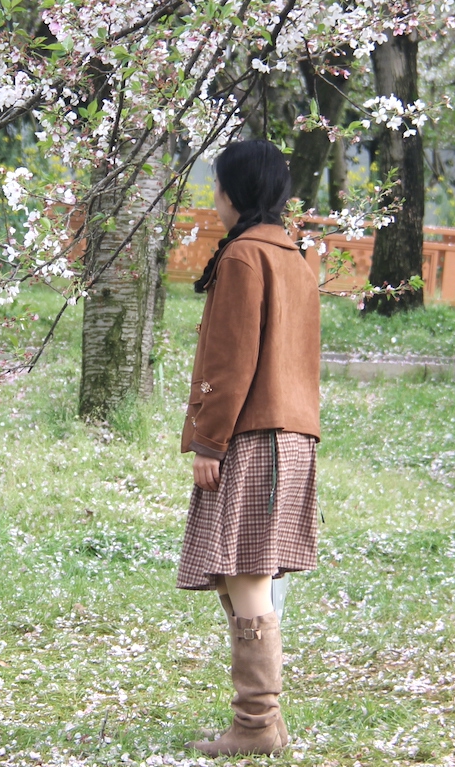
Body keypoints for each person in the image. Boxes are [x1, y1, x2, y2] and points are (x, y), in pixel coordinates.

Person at [177, 140, 321, 757]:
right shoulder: (293, 255)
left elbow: (230, 363)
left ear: (236, 192)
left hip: (251, 437)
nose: (215, 197)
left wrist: (208, 441)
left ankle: (257, 725)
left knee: (246, 576)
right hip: (293, 437)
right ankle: (264, 723)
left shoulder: (243, 256)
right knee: (243, 577)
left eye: (218, 186)